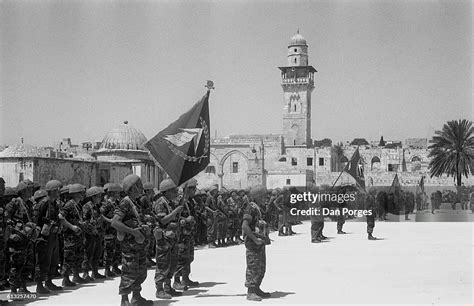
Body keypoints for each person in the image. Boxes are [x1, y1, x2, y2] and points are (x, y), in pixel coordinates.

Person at [111, 174, 153, 306]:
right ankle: (124, 300)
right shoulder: (125, 202)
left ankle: (136, 297)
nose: (141, 187)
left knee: (140, 271)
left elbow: (135, 220)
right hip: (130, 245)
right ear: (133, 187)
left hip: (139, 245)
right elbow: (115, 222)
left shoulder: (136, 202)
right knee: (128, 271)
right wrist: (133, 232)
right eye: (139, 185)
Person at [153, 179, 184, 299]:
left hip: (172, 237)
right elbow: (163, 220)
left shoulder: (169, 202)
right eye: (173, 191)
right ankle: (159, 289)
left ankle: (168, 286)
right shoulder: (160, 203)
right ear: (166, 191)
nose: (176, 193)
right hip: (163, 238)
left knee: (172, 263)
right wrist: (176, 212)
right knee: (162, 264)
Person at [5, 180, 37, 294]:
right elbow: (7, 219)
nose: (31, 191)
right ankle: (13, 291)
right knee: (16, 264)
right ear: (23, 190)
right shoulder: (15, 203)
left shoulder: (28, 203)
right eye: (29, 189)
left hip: (27, 238)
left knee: (28, 264)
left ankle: (23, 287)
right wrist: (15, 231)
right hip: (17, 239)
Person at [33, 180, 64, 294]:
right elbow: (35, 219)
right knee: (43, 260)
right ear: (53, 190)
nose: (59, 192)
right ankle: (39, 284)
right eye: (57, 189)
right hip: (44, 236)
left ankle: (49, 281)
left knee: (52, 260)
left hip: (53, 235)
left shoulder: (54, 203)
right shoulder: (43, 203)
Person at [242, 185, 271, 301]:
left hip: (260, 242)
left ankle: (257, 288)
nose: (266, 197)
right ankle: (251, 292)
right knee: (253, 267)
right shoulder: (251, 208)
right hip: (253, 243)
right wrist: (254, 239)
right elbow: (245, 225)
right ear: (258, 196)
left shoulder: (259, 207)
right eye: (264, 196)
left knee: (261, 267)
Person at [173, 178, 200, 290]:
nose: (195, 190)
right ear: (187, 189)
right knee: (180, 257)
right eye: (193, 188)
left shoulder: (190, 201)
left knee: (188, 257)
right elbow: (175, 217)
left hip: (189, 234)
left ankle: (185, 278)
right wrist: (186, 219)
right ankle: (176, 280)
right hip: (181, 234)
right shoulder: (179, 200)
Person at [59, 183, 87, 287]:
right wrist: (72, 227)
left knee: (78, 256)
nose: (82, 195)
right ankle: (65, 278)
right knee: (69, 257)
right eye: (80, 193)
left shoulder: (77, 204)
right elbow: (61, 217)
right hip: (70, 236)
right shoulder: (69, 205)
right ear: (75, 194)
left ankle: (76, 275)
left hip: (78, 236)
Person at [81, 186, 106, 281]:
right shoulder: (87, 206)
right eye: (98, 196)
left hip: (98, 233)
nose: (100, 198)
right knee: (88, 254)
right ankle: (85, 273)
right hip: (90, 234)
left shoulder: (98, 206)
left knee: (97, 253)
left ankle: (95, 272)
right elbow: (84, 221)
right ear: (93, 197)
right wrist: (91, 229)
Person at [101, 183, 123, 277]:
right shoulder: (106, 204)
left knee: (117, 249)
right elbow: (101, 215)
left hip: (117, 230)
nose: (119, 195)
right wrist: (109, 221)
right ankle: (107, 269)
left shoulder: (117, 203)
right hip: (109, 230)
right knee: (109, 250)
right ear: (112, 193)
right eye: (117, 193)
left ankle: (115, 266)